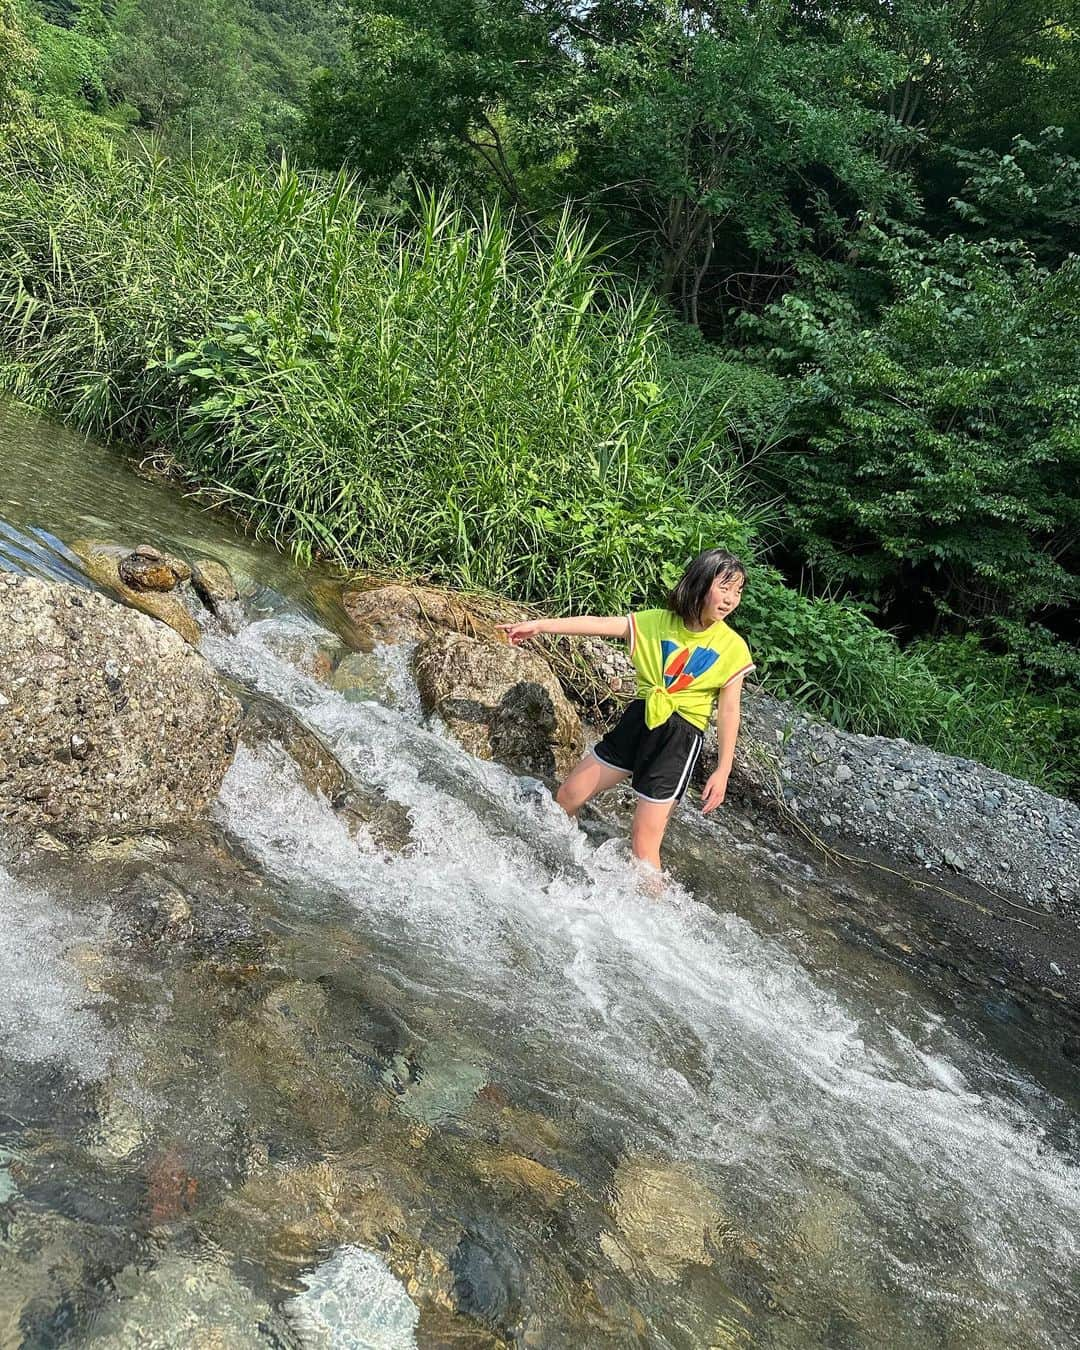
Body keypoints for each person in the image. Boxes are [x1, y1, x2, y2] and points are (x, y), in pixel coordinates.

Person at [498, 548, 755, 873]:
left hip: (679, 739)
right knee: (568, 795)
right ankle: (559, 867)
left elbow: (730, 710)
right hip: (639, 720)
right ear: (700, 583)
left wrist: (723, 770)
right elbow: (598, 623)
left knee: (643, 845)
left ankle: (654, 917)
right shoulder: (656, 622)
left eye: (738, 591)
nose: (731, 599)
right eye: (724, 587)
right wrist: (540, 625)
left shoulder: (732, 647)